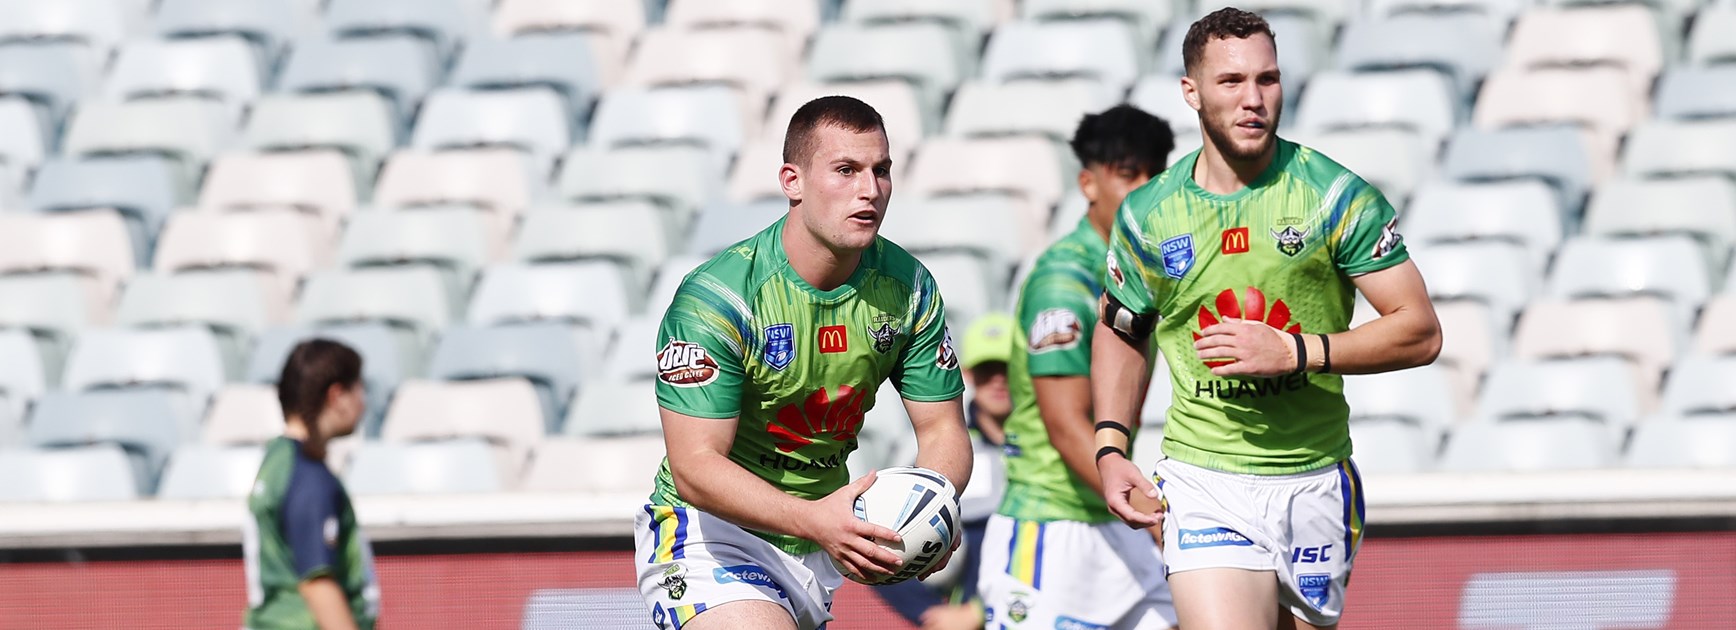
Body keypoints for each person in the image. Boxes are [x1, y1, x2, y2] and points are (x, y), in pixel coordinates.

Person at [1091, 8, 1444, 630]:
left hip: (1313, 478)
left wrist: (1295, 352)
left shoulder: (1334, 197)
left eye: (1267, 79)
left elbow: (1419, 329)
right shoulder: (1149, 214)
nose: (1253, 99)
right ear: (1192, 92)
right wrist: (1110, 445)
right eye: (1231, 81)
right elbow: (1123, 330)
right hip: (1204, 477)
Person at [635, 95, 975, 630]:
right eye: (846, 170)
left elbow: (943, 430)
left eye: (881, 170)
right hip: (709, 535)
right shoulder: (720, 298)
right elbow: (695, 467)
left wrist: (933, 504)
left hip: (816, 542)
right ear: (792, 181)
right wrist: (814, 520)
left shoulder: (909, 287)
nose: (870, 190)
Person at [978, 104, 1181, 630]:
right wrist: (1152, 515)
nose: (1145, 190)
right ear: (1088, 183)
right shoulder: (1065, 281)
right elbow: (1067, 424)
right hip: (1051, 532)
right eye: (1128, 174)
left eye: (1155, 175)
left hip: (1112, 520)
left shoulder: (1137, 271)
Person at [874, 313, 1014, 630]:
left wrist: (979, 612)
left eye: (1006, 369)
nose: (998, 381)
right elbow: (888, 541)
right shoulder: (944, 451)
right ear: (968, 374)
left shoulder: (1053, 446)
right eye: (987, 370)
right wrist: (930, 614)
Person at [243, 339, 379, 630]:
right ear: (336, 395)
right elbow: (318, 584)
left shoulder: (278, 460)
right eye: (359, 387)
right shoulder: (308, 476)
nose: (363, 401)